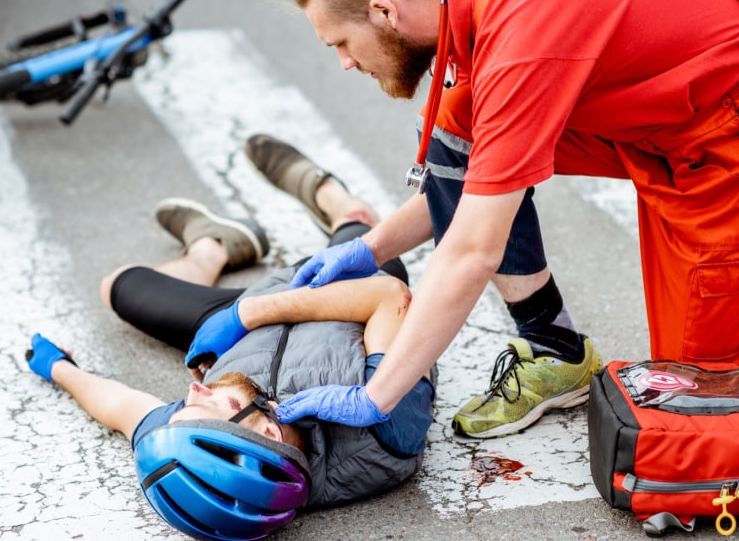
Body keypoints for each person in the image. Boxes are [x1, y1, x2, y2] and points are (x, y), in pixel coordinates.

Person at [267, 0, 739, 439]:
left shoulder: (522, 37)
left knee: (701, 389)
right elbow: (469, 177)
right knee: (461, 115)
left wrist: (379, 395)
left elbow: (472, 248)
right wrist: (367, 251)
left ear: (383, 11)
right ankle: (555, 348)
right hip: (657, 116)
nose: (346, 63)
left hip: (738, 137)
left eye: (341, 44)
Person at [24, 134, 436, 541]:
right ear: (269, 432)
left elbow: (123, 408)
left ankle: (211, 246)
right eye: (204, 404)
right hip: (347, 288)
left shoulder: (210, 438)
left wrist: (58, 368)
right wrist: (252, 313)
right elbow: (386, 297)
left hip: (246, 318)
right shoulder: (387, 427)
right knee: (358, 234)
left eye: (183, 408)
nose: (193, 390)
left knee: (118, 286)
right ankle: (332, 197)